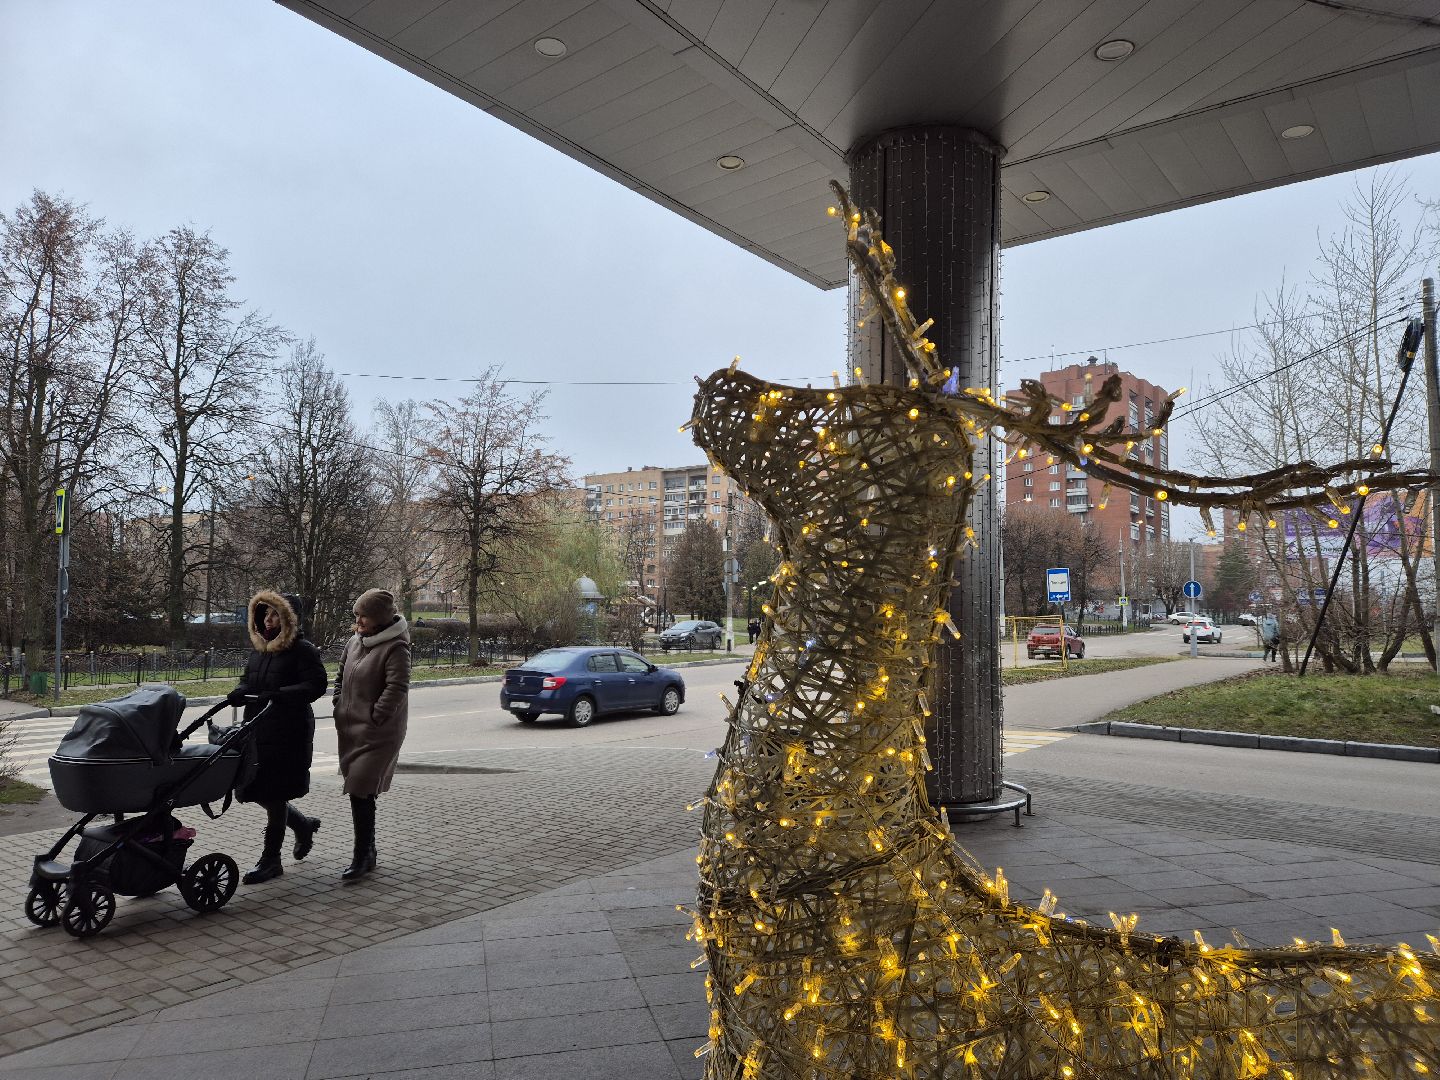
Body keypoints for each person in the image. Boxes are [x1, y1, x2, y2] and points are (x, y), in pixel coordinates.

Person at [228, 591, 327, 885]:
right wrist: (240, 691)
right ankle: (302, 825)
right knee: (256, 788)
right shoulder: (260, 648)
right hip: (257, 728)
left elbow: (316, 685)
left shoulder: (302, 650)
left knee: (275, 793)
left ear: (289, 619)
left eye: (275, 615)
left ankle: (271, 859)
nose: (268, 620)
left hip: (288, 731)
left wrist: (280, 695)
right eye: (265, 614)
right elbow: (248, 679)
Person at [332, 588, 411, 881]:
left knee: (360, 787)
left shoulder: (396, 647)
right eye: (357, 615)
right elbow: (340, 673)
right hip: (350, 728)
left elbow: (397, 687)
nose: (358, 621)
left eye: (364, 616)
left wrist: (375, 715)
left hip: (379, 731)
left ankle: (362, 855)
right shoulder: (354, 642)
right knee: (360, 790)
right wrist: (338, 701)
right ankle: (369, 852)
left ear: (379, 618)